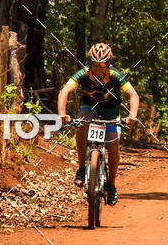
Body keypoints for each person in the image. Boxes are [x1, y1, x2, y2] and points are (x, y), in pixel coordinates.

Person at [57, 42, 139, 205]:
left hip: (111, 112)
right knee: (81, 124)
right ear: (90, 63)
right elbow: (65, 91)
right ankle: (82, 168)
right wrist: (62, 113)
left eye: (102, 65)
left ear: (108, 64)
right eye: (95, 64)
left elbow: (133, 95)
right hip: (89, 108)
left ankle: (112, 185)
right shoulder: (83, 74)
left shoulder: (115, 75)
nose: (98, 68)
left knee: (113, 147)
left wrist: (132, 116)